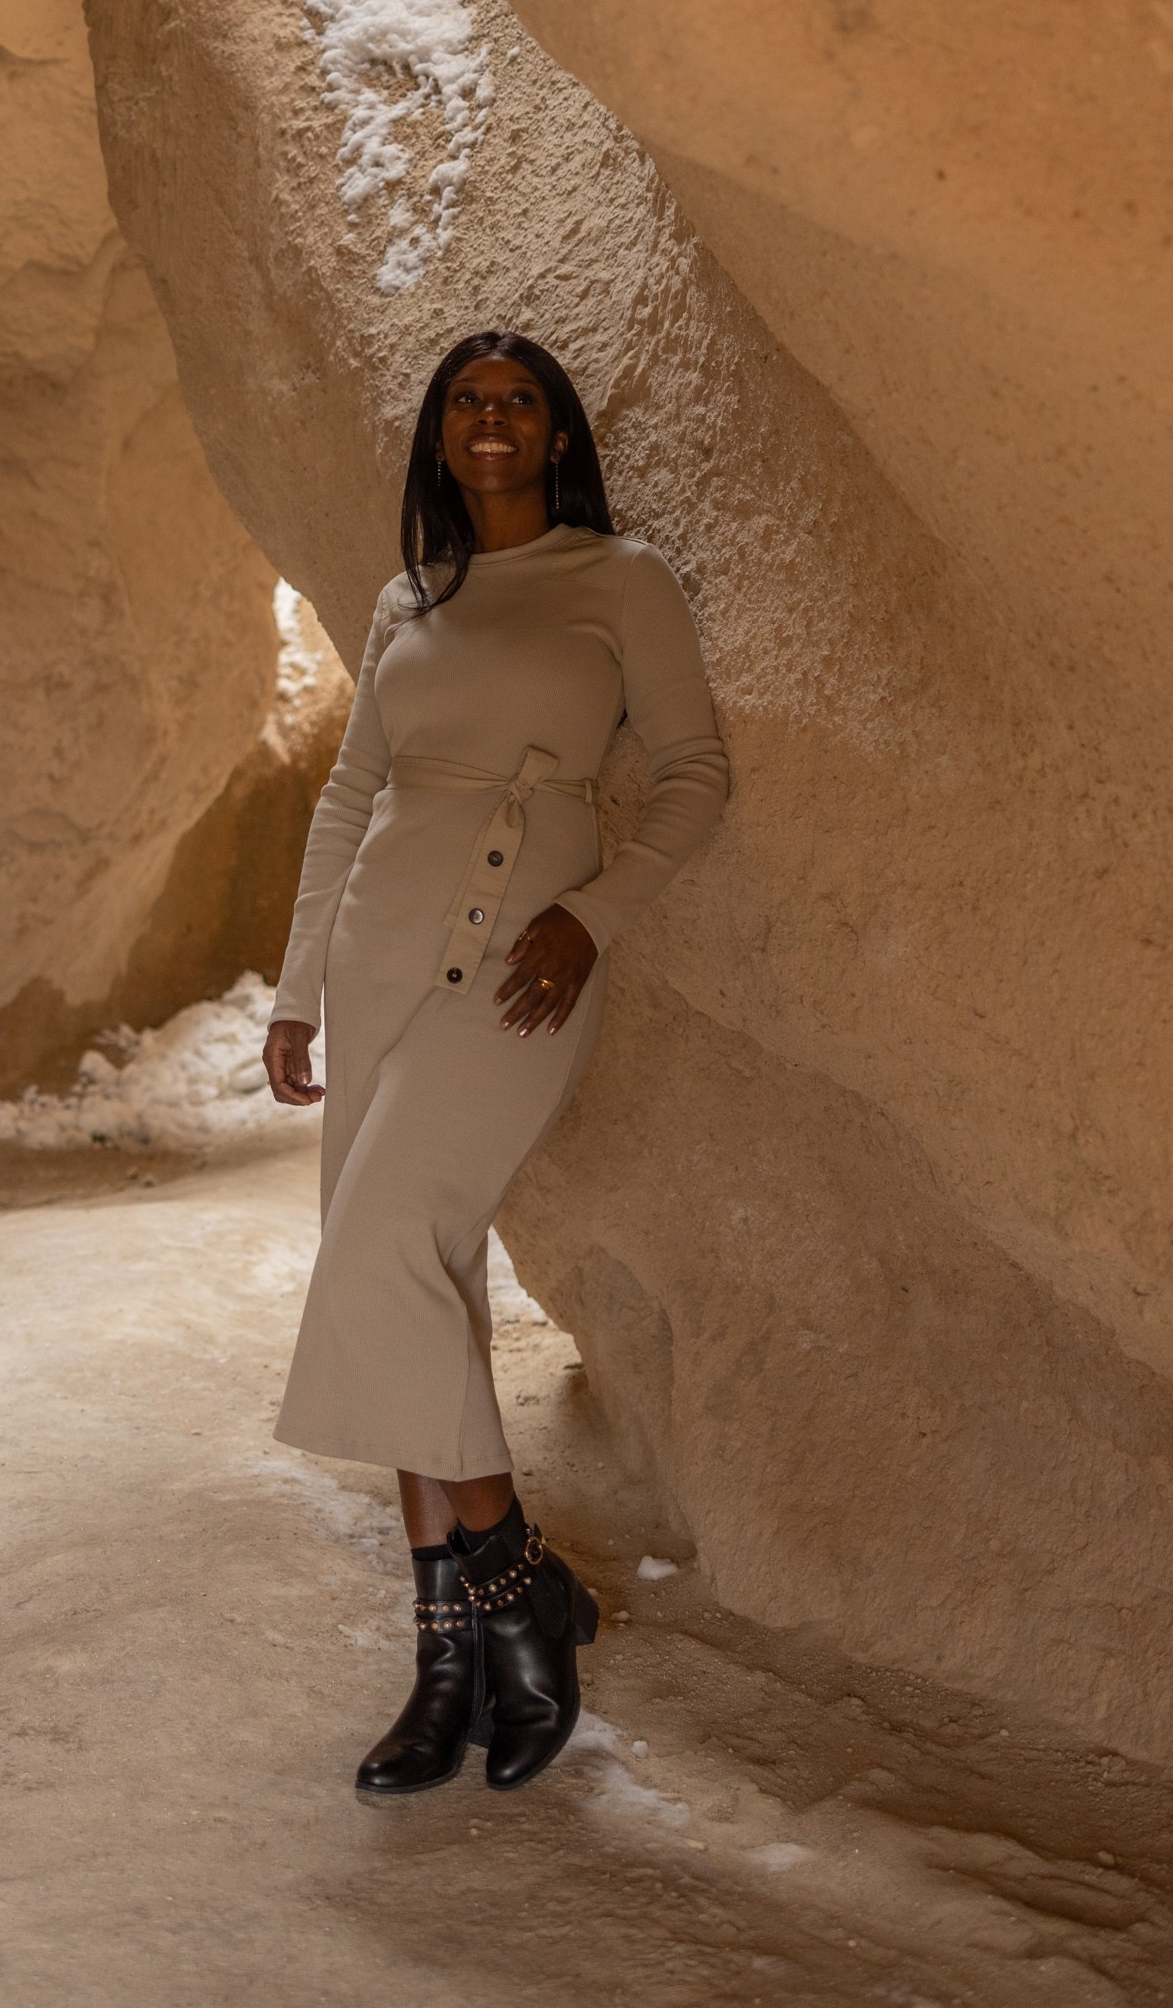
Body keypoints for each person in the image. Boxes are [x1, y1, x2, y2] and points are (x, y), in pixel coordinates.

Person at [263, 332, 730, 1799]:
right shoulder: (410, 595)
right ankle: (450, 1654)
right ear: (438, 434)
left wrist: (592, 918)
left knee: (385, 1246)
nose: (488, 420)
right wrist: (293, 992)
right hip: (377, 950)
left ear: (554, 434)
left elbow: (695, 773)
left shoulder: (618, 581)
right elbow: (348, 797)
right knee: (420, 1283)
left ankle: (518, 1586)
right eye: (466, 400)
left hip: (519, 965)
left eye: (514, 400)